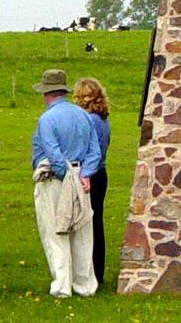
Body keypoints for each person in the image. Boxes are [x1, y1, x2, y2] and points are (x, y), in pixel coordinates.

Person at [31, 69, 101, 298]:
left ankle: (62, 285)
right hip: (81, 176)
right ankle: (85, 284)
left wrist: (67, 175)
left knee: (56, 231)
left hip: (56, 177)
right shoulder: (82, 115)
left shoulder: (47, 119)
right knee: (82, 231)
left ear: (46, 93)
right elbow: (94, 151)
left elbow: (52, 153)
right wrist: (85, 175)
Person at [73, 78, 111, 285]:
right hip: (101, 173)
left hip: (92, 173)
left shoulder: (91, 120)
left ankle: (92, 270)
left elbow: (90, 150)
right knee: (97, 221)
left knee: (90, 223)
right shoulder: (103, 119)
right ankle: (97, 269)